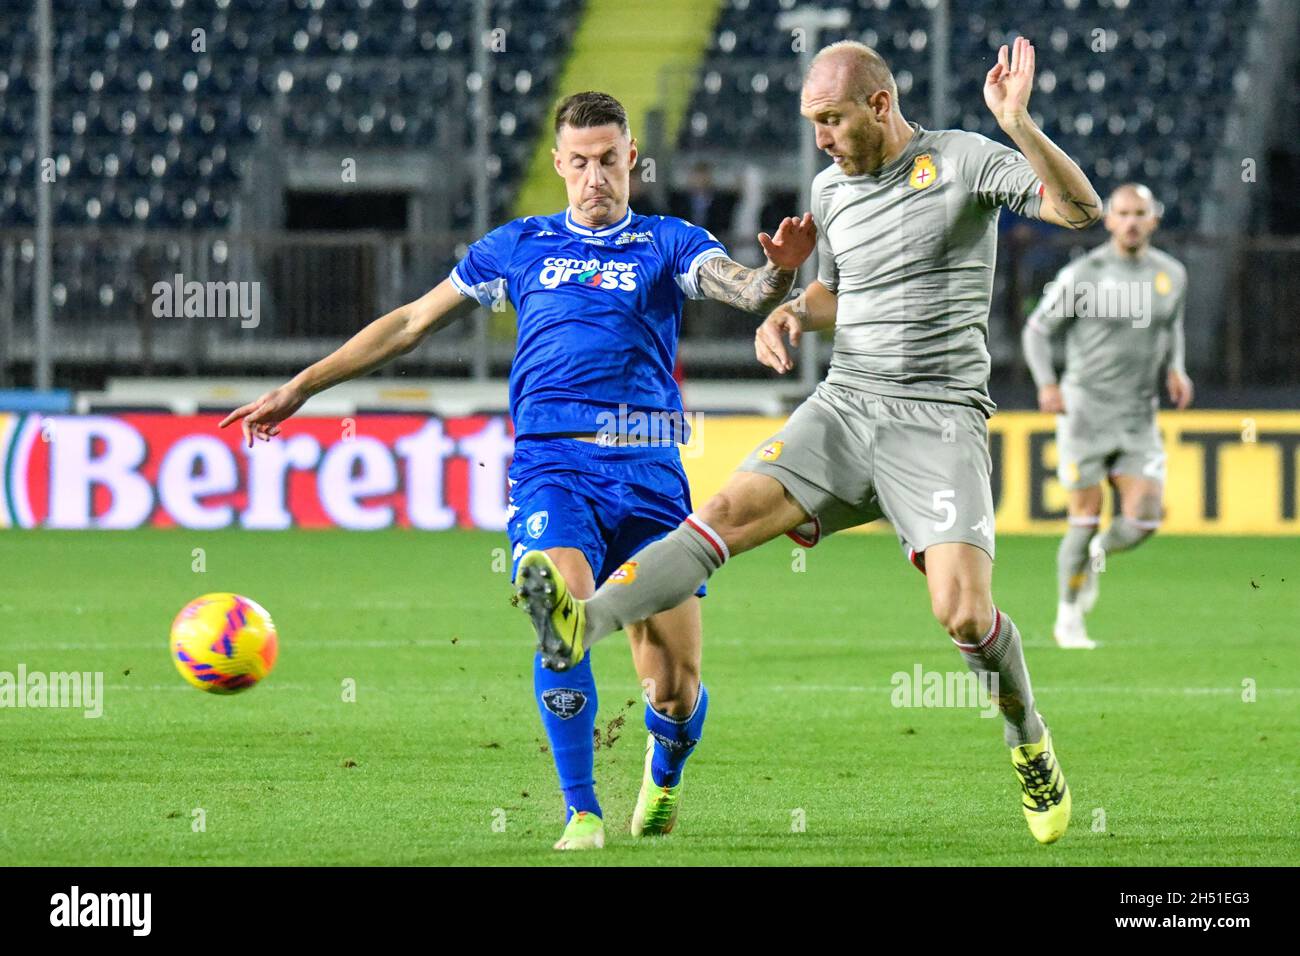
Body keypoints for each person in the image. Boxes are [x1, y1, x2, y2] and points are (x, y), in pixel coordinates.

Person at [516, 39, 1102, 845]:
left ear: (880, 106)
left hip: (936, 417)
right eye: (812, 123)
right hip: (845, 404)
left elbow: (1080, 210)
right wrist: (792, 310)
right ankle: (586, 619)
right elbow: (842, 289)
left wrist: (1019, 124)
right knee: (720, 512)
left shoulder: (965, 160)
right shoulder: (830, 190)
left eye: (831, 120)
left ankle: (1027, 739)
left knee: (964, 617)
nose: (820, 139)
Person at [219, 91, 815, 850]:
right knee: (560, 618)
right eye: (580, 162)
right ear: (560, 166)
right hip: (551, 463)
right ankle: (582, 812)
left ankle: (664, 770)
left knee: (672, 683)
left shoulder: (669, 241)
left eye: (609, 159)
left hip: (649, 467)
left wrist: (777, 275)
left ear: (631, 158)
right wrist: (301, 387)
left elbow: (746, 290)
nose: (595, 175)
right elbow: (408, 323)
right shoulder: (519, 245)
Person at [1022, 182, 1191, 649]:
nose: (1132, 221)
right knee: (1084, 514)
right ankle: (1068, 615)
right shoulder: (1084, 275)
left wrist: (1176, 368)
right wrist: (1047, 383)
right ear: (1109, 220)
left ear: (1154, 219)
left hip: (1139, 414)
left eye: (1141, 213)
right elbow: (1036, 332)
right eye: (1123, 213)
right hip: (1085, 412)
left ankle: (1098, 553)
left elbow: (1171, 326)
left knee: (1145, 518)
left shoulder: (1171, 274)